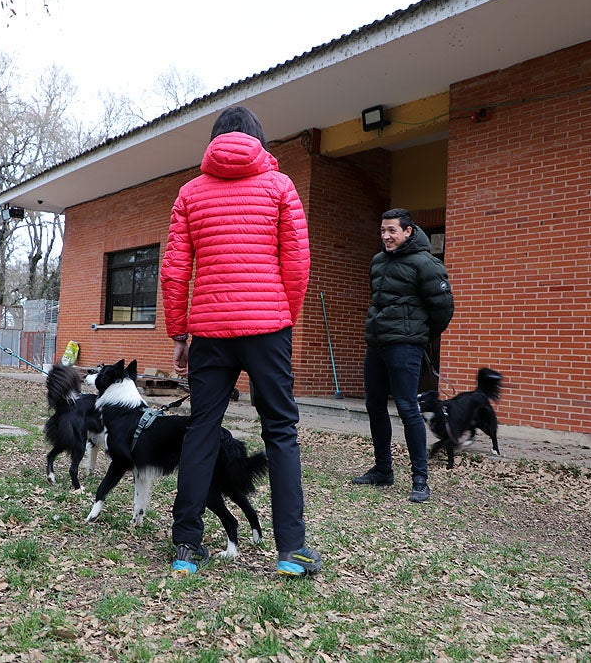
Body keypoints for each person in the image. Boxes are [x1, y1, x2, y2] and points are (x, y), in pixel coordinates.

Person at [161, 105, 321, 576]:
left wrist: (179, 333)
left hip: (209, 332)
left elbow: (174, 271)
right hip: (268, 328)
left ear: (214, 141)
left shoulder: (190, 193)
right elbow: (297, 263)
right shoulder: (280, 187)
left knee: (202, 431)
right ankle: (291, 550)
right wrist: (282, 317)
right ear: (259, 140)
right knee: (281, 431)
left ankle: (186, 546)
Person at [352, 208, 454, 502]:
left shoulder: (426, 263)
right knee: (374, 405)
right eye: (383, 231)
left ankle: (420, 479)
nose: (385, 236)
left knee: (408, 408)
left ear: (408, 231)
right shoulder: (378, 262)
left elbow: (443, 308)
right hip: (377, 344)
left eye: (392, 231)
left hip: (405, 346)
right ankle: (383, 470)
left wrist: (419, 336)